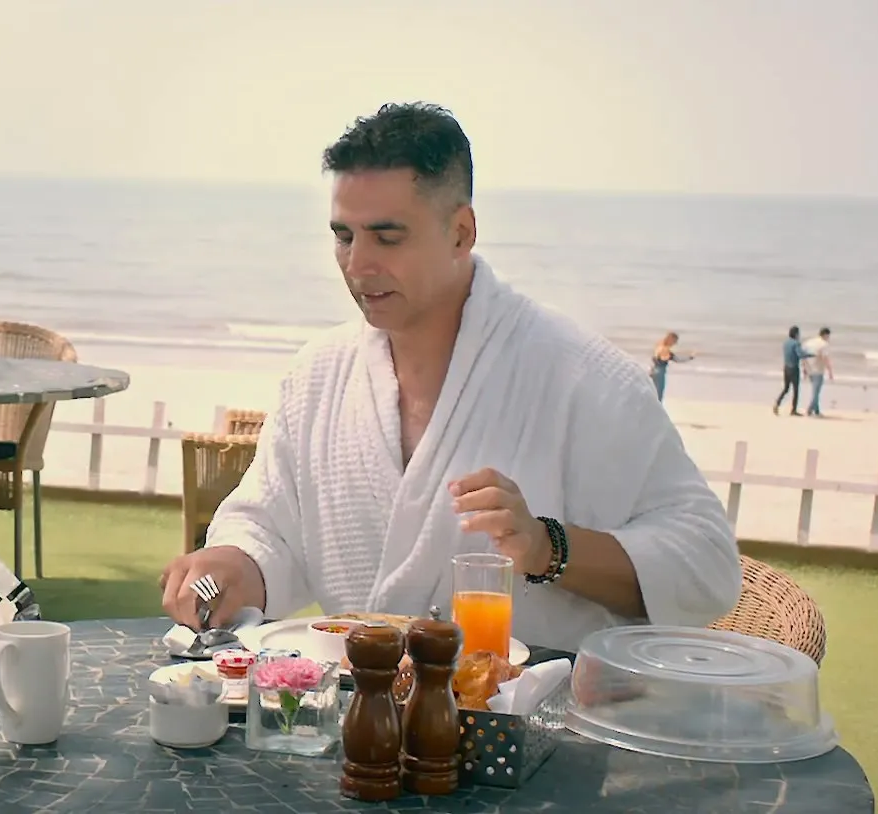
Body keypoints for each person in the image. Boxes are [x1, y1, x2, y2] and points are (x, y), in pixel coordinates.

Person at [158, 104, 739, 652]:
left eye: (387, 237)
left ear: (461, 232)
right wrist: (233, 563)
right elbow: (269, 530)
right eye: (344, 236)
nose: (358, 265)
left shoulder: (583, 378)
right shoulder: (319, 375)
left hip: (538, 715)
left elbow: (707, 563)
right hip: (364, 711)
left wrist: (548, 546)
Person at [773, 326, 808, 416]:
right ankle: (793, 410)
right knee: (796, 390)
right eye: (798, 333)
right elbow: (800, 355)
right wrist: (811, 354)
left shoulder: (786, 343)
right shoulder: (796, 343)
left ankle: (777, 402)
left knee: (786, 388)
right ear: (796, 334)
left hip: (786, 368)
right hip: (794, 368)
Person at [649, 331, 691, 402]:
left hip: (653, 370)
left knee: (652, 391)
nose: (675, 343)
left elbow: (655, 358)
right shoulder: (666, 350)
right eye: (675, 341)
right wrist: (690, 358)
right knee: (659, 394)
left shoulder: (659, 346)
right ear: (671, 340)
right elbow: (677, 360)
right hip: (660, 372)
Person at [802, 327, 833, 417]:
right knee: (816, 392)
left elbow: (803, 355)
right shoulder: (824, 344)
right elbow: (825, 358)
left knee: (815, 391)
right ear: (825, 335)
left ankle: (817, 411)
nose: (828, 338)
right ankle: (809, 410)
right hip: (818, 370)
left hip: (809, 368)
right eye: (828, 336)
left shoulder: (808, 342)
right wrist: (830, 371)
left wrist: (804, 368)